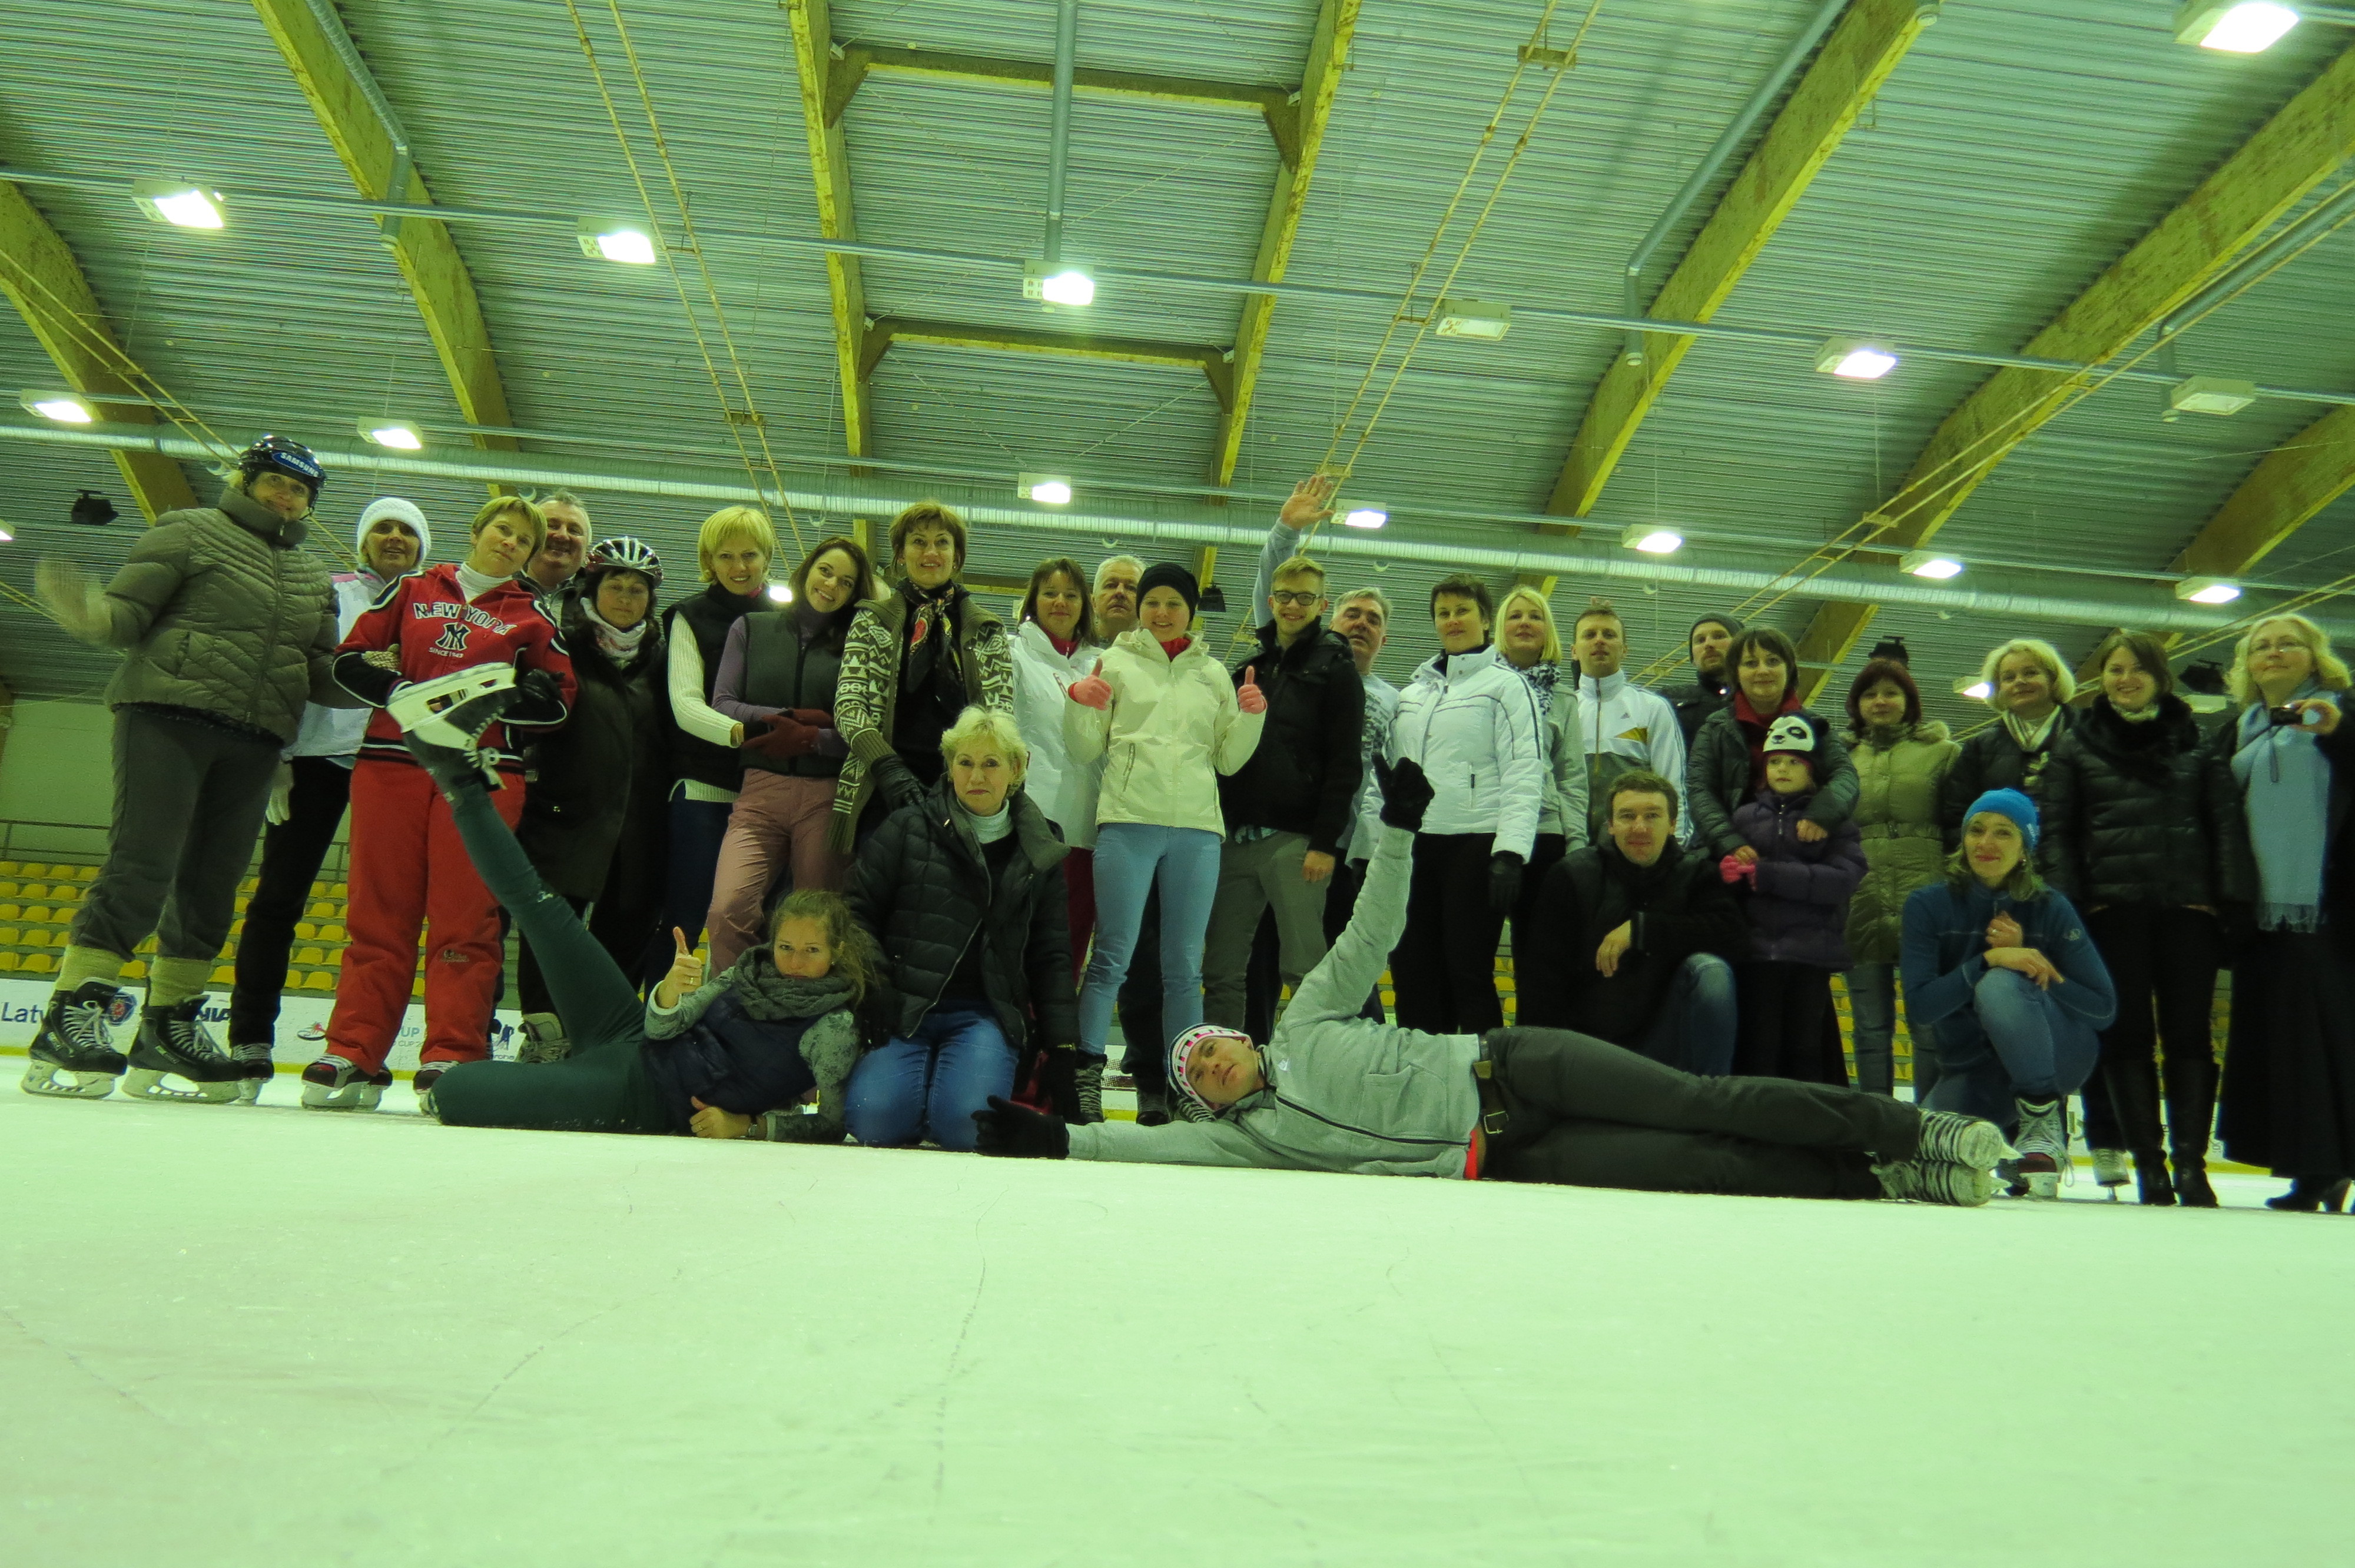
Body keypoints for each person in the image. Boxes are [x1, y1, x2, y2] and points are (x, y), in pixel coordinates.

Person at [972, 758, 2014, 1208]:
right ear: (1208, 1099)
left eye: (1205, 1043)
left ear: (1239, 1036)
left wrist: (1398, 828)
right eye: (1195, 1070)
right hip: (1503, 1153)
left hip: (1509, 1063)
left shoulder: (1308, 1018)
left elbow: (1375, 927)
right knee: (1702, 1164)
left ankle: (1913, 1130)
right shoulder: (1246, 1141)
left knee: (1707, 1100)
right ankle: (1882, 1180)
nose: (1205, 1058)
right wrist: (1057, 1137)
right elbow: (1136, 1145)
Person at [391, 706, 878, 1144]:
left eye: (811, 952)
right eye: (787, 947)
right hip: (630, 1031)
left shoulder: (833, 1027)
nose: (794, 961)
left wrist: (750, 1126)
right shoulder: (753, 969)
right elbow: (662, 1027)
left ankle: (560, 1082)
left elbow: (832, 1123)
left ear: (836, 952)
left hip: (642, 1096)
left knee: (453, 1092)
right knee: (542, 907)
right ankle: (455, 773)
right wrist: (669, 993)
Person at [23, 436, 341, 1104]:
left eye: (300, 491)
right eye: (275, 482)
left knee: (212, 888)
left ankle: (170, 1025)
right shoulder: (188, 530)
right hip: (167, 716)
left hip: (256, 739)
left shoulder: (315, 577)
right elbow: (129, 616)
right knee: (142, 866)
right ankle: (72, 1014)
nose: (286, 497)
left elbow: (319, 670)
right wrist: (92, 615)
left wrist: (382, 680)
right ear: (246, 481)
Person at [301, 493, 575, 1113]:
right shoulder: (412, 590)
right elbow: (349, 662)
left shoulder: (533, 617)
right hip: (391, 765)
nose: (510, 543)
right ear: (476, 531)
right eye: (502, 530)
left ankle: (453, 1053)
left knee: (466, 920)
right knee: (378, 912)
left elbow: (559, 703)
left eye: (523, 541)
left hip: (483, 775)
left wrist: (507, 695)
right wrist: (401, 689)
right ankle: (353, 1050)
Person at [224, 496, 429, 1099]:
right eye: (382, 529)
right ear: (363, 540)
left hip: (393, 765)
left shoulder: (431, 605)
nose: (394, 538)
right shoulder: (329, 590)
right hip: (315, 762)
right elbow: (286, 670)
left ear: (422, 545)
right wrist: (280, 755)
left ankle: (366, 1049)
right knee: (277, 900)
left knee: (387, 914)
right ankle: (250, 1039)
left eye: (406, 531)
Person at [2041, 628, 2254, 1206]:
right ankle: (2150, 1169)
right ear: (2102, 680)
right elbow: (2057, 832)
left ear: (2160, 677)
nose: (2125, 679)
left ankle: (2190, 1166)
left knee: (2190, 1038)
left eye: (2137, 669)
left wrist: (2228, 904)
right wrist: (2072, 910)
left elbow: (2225, 826)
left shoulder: (2198, 742)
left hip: (2188, 911)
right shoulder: (2075, 745)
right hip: (2111, 915)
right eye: (2115, 669)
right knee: (2126, 1039)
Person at [1066, 563, 1265, 1117]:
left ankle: (1185, 1090)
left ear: (1191, 612)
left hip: (1197, 831)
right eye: (1152, 601)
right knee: (1112, 957)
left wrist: (1252, 718)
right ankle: (1085, 1072)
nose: (1161, 612)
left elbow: (1228, 759)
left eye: (1173, 603)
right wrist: (1079, 701)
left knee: (1184, 968)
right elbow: (1084, 749)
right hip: (1129, 821)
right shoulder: (1116, 663)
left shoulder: (1213, 674)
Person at [844, 707, 1079, 1150]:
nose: (977, 776)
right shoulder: (906, 827)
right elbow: (857, 913)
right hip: (903, 1007)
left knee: (967, 1130)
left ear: (1016, 769)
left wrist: (1063, 1047)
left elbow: (1051, 954)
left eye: (991, 763)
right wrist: (877, 988)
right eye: (965, 762)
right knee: (873, 1122)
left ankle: (942, 1102)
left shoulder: (1041, 846)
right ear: (950, 768)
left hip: (985, 1014)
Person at [1203, 477, 1365, 1038]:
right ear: (1271, 603)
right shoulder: (1248, 670)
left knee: (1305, 967)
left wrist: (1324, 842)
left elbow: (1345, 763)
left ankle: (1313, 1068)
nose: (1294, 606)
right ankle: (1218, 1066)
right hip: (1234, 840)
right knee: (1222, 970)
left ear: (1322, 606)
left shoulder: (1337, 669)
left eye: (1305, 598)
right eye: (1285, 597)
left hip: (1296, 844)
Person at [1903, 790, 2116, 1199]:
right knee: (1915, 1153)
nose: (1986, 843)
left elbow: (2102, 1010)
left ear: (2025, 849)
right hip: (1974, 1071)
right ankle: (2008, 1149)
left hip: (2058, 1058)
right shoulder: (1927, 905)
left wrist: (2037, 964)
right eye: (1976, 830)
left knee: (2001, 983)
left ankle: (2040, 1120)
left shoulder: (2050, 907)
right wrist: (1988, 959)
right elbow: (1921, 1008)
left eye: (2003, 833)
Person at [510, 538, 672, 1062]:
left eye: (637, 590)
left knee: (626, 934)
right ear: (591, 591)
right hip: (564, 820)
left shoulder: (666, 662)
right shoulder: (560, 648)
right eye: (615, 586)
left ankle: (604, 1044)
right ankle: (545, 1036)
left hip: (640, 827)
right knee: (550, 933)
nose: (625, 598)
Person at [2215, 615, 2355, 1211]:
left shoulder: (2343, 712)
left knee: (2334, 1041)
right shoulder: (2239, 729)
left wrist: (2339, 733)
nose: (2273, 653)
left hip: (2330, 909)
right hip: (2261, 914)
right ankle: (2312, 1168)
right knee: (2286, 1046)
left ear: (2315, 657)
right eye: (2261, 647)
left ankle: (2331, 1165)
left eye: (2288, 644)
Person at [702, 534, 875, 973]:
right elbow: (723, 703)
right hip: (760, 793)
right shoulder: (751, 628)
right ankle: (734, 1001)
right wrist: (786, 718)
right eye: (826, 571)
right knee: (727, 909)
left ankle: (807, 1004)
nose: (831, 585)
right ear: (807, 570)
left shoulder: (859, 645)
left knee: (817, 923)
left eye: (846, 582)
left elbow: (866, 727)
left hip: (827, 796)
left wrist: (813, 739)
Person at [1385, 574, 1543, 1037]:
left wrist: (1510, 852)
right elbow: (1390, 777)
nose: (1452, 620)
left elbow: (1524, 769)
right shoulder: (1412, 695)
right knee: (1412, 968)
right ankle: (1419, 1070)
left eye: (1462, 611)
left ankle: (1487, 1075)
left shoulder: (1507, 687)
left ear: (1485, 620)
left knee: (1467, 970)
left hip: (1476, 844)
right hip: (1415, 848)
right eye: (1443, 613)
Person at [1520, 771, 1743, 1074]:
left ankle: (1711, 1096)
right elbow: (1542, 979)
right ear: (1610, 825)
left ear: (1672, 824)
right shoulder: (1572, 875)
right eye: (1627, 816)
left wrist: (1642, 930)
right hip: (1589, 1050)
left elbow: (1735, 938)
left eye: (1652, 816)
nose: (1640, 827)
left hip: (1664, 1046)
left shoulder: (1698, 876)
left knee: (1710, 971)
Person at [829, 501, 1014, 851]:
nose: (931, 552)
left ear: (957, 556)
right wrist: (887, 767)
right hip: (882, 787)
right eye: (918, 542)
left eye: (942, 542)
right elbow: (848, 706)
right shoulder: (871, 620)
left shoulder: (987, 629)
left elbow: (1000, 718)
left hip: (963, 791)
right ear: (901, 554)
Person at [657, 506, 780, 984]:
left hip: (768, 795)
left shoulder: (790, 619)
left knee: (755, 920)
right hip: (703, 791)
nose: (739, 566)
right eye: (725, 556)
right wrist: (747, 736)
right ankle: (663, 1015)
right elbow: (685, 704)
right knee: (684, 917)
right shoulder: (688, 616)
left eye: (749, 555)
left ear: (767, 557)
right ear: (709, 561)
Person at [1724, 713, 1866, 1083]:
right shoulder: (1744, 819)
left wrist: (1769, 875)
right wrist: (1727, 875)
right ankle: (1758, 1116)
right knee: (1759, 1045)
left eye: (1794, 762)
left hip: (1810, 956)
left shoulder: (1834, 823)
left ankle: (1802, 1117)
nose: (1783, 769)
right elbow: (1729, 889)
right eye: (1775, 762)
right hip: (1757, 955)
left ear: (1812, 771)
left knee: (1805, 1049)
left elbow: (1842, 880)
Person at [1842, 657, 1959, 1098]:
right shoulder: (1840, 760)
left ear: (1910, 701)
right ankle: (1876, 1124)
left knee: (1929, 1027)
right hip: (1861, 904)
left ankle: (1929, 1124)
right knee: (1870, 1029)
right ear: (1857, 704)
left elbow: (1959, 829)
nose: (1881, 701)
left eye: (1891, 693)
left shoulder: (1944, 754)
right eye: (1870, 694)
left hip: (1926, 904)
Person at [1686, 624, 1859, 864]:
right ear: (1736, 673)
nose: (1763, 670)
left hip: (1805, 853)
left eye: (1773, 661)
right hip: (1733, 858)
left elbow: (1845, 775)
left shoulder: (1816, 725)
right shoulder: (1714, 729)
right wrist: (1727, 841)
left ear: (1789, 668)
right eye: (1750, 663)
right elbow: (1699, 790)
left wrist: (1822, 814)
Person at [1007, 556, 1103, 985]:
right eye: (1050, 593)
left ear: (1085, 604)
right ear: (1033, 601)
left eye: (1071, 594)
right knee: (1020, 941)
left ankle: (1057, 1028)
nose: (1060, 602)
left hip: (1086, 829)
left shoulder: (1103, 662)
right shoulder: (1012, 653)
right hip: (1031, 826)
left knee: (1070, 946)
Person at [1492, 584, 1588, 980]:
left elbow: (1572, 778)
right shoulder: (1480, 688)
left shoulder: (1565, 700)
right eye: (1515, 616)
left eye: (1535, 616)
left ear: (1548, 630)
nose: (1525, 623)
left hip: (1545, 834)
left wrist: (1576, 844)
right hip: (1486, 830)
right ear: (1500, 628)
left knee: (1539, 960)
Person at [1939, 637, 2078, 845]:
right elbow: (1957, 814)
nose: (2019, 681)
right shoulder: (1980, 746)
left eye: (2031, 673)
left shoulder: (2093, 733)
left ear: (2054, 679)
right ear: (1999, 688)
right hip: (2003, 858)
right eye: (2009, 677)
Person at [1570, 597, 1686, 844]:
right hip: (1572, 846)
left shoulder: (1652, 708)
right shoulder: (1563, 710)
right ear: (1574, 651)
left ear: (1624, 649)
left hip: (1635, 844)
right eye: (1589, 635)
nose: (1599, 640)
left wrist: (1676, 844)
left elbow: (1673, 783)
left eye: (1609, 634)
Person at [1669, 612, 1743, 746]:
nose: (1708, 644)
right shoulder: (1667, 701)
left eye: (1719, 636)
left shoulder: (1761, 701)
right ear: (1693, 659)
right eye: (1700, 640)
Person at [521, 489, 592, 602]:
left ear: (587, 548)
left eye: (574, 531)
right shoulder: (498, 583)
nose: (562, 535)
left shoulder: (598, 596)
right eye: (552, 526)